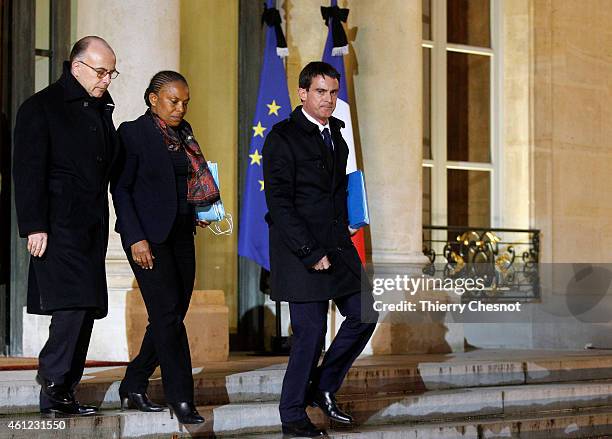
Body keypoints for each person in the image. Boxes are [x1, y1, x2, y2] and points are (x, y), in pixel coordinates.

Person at [263, 61, 378, 438]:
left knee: (364, 314)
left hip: (338, 245)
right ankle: (292, 415)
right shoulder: (282, 137)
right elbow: (280, 204)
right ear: (303, 93)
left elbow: (334, 193)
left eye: (332, 92)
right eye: (320, 92)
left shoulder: (338, 137)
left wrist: (349, 220)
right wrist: (310, 251)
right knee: (310, 335)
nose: (328, 99)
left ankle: (323, 386)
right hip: (301, 252)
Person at [13, 36, 119, 416]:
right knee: (71, 305)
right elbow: (27, 172)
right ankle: (53, 385)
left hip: (91, 226)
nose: (107, 79)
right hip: (56, 227)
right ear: (77, 67)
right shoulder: (41, 107)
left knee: (87, 306)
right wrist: (34, 226)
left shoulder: (99, 109)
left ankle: (66, 388)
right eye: (101, 71)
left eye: (111, 72)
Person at [112, 71, 218, 425]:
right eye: (174, 100)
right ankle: (181, 398)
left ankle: (134, 382)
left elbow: (186, 184)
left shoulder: (183, 134)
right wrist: (134, 238)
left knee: (172, 313)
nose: (180, 107)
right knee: (168, 317)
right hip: (147, 237)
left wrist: (198, 211)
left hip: (181, 234)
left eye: (185, 101)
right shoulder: (132, 133)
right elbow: (121, 190)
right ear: (152, 98)